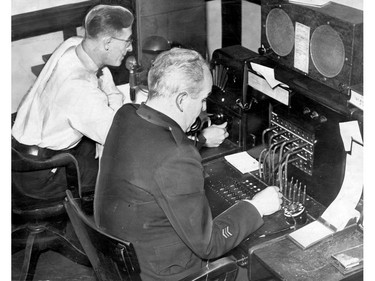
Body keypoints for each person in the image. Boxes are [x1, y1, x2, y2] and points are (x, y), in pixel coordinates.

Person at [94, 47, 282, 281]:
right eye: (202, 99)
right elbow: (209, 245)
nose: (203, 108)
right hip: (165, 274)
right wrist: (256, 206)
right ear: (181, 99)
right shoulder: (176, 157)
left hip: (125, 256)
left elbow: (155, 154)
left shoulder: (127, 114)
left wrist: (200, 140)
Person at [11, 4, 134, 199]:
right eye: (127, 42)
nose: (130, 48)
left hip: (20, 152)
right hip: (40, 176)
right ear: (107, 42)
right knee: (126, 172)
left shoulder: (71, 44)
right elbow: (117, 138)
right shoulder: (79, 89)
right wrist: (114, 96)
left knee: (94, 148)